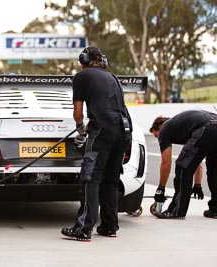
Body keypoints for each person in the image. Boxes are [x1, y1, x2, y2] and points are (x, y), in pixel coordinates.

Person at [61, 45, 133, 241]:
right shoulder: (113, 78)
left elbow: (78, 112)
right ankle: (109, 227)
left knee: (90, 178)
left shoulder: (81, 77)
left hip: (101, 130)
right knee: (110, 180)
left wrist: (80, 127)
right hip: (124, 131)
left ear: (83, 60)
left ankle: (83, 228)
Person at [149, 110, 217, 219]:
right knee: (214, 171)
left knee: (182, 166)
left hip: (205, 128)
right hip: (213, 123)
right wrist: (197, 185)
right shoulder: (185, 126)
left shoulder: (165, 129)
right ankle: (215, 209)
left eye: (157, 136)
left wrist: (161, 189)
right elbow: (196, 159)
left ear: (160, 127)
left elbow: (166, 163)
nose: (159, 140)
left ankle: (176, 210)